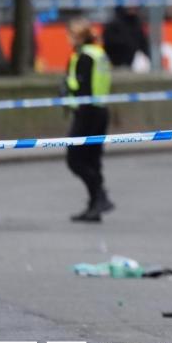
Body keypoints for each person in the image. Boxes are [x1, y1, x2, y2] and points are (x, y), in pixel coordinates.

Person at [64, 17, 115, 223]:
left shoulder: (85, 56)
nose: (67, 39)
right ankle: (95, 204)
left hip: (88, 113)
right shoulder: (99, 53)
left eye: (69, 34)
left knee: (75, 159)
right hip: (99, 111)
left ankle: (100, 197)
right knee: (93, 160)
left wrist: (68, 91)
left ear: (78, 36)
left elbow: (83, 89)